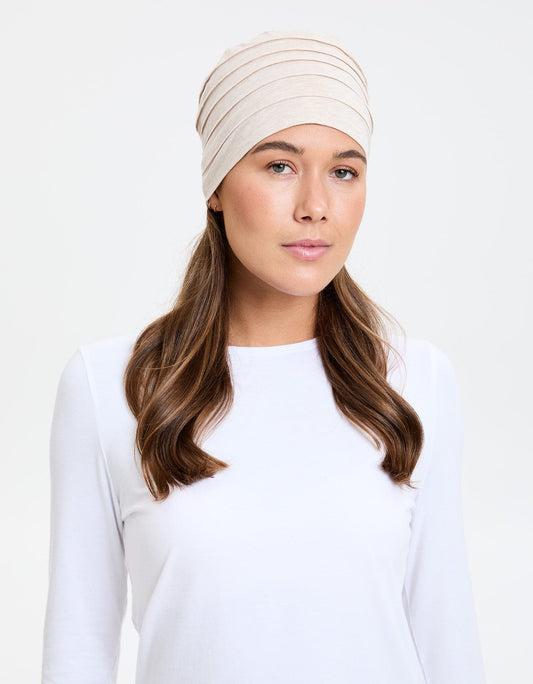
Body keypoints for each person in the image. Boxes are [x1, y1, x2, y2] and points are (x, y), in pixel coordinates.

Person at [41, 30, 486, 683]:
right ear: (216, 186)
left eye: (343, 171)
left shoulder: (414, 381)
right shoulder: (110, 385)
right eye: (279, 166)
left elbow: (447, 641)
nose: (315, 207)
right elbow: (77, 654)